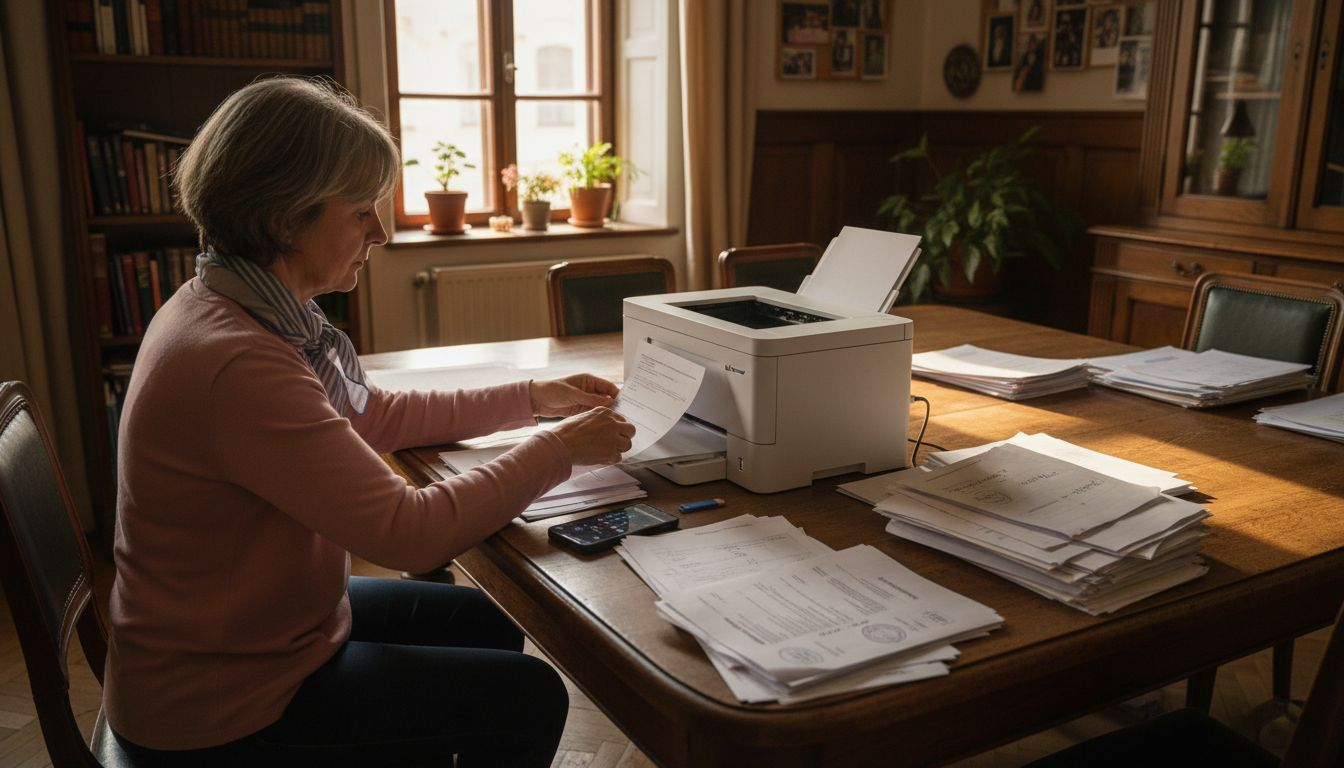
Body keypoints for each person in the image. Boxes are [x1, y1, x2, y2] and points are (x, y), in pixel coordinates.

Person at [102, 75, 635, 767]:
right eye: (360, 213)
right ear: (283, 219)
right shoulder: (238, 362)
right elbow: (410, 534)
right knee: (529, 695)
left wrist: (532, 396)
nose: (380, 233)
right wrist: (557, 450)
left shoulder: (242, 304)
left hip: (256, 633)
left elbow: (371, 414)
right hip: (220, 705)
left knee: (488, 622)